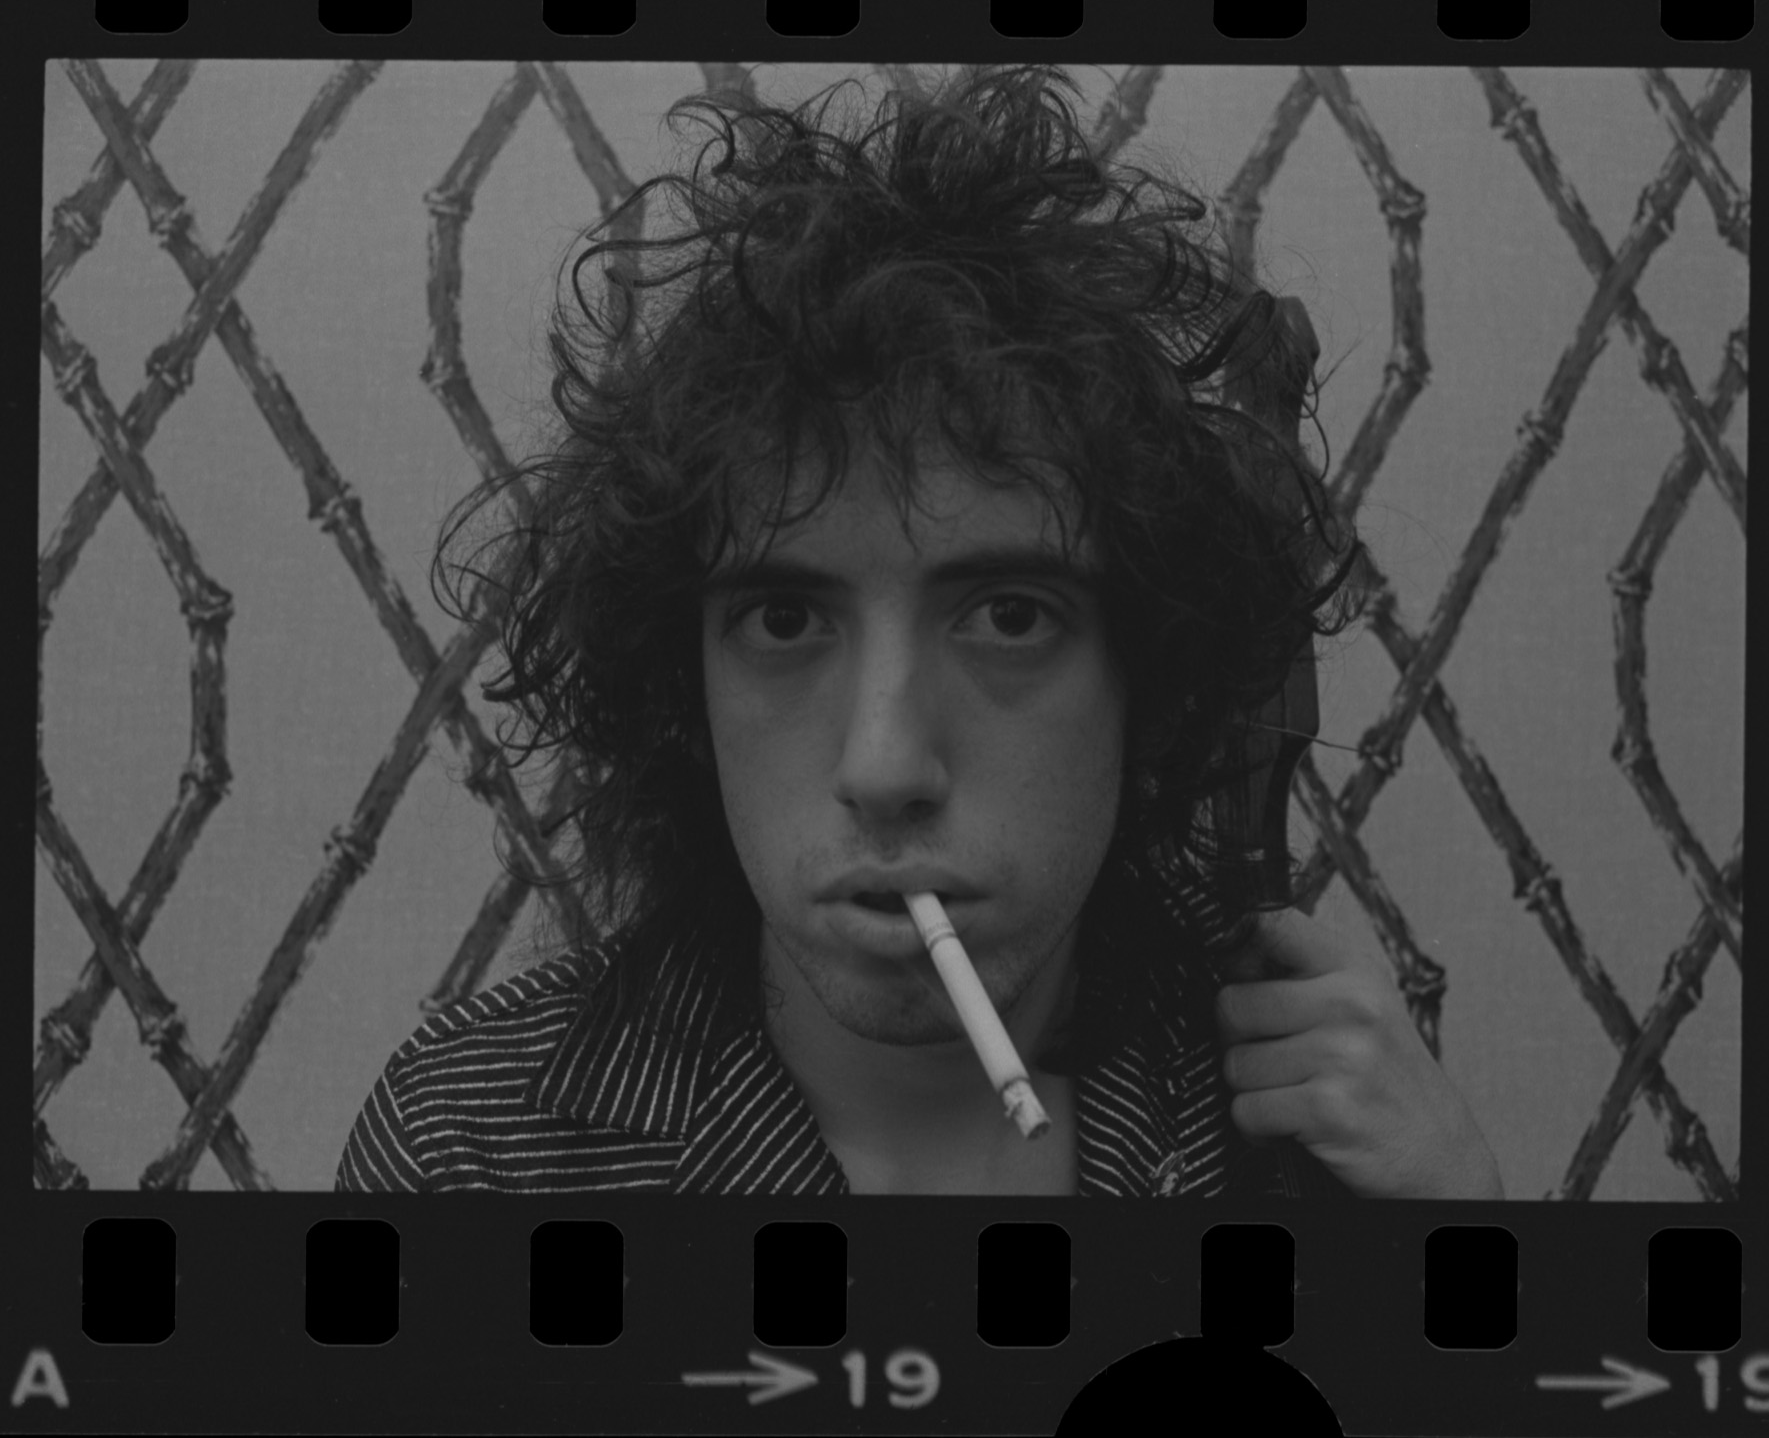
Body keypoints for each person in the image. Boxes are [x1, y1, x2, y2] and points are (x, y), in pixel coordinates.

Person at [337, 66, 1503, 1198]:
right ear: (684, 688)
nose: (885, 767)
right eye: (784, 618)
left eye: (1008, 616)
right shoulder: (470, 1151)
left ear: (1147, 683)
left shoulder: (1310, 1147)